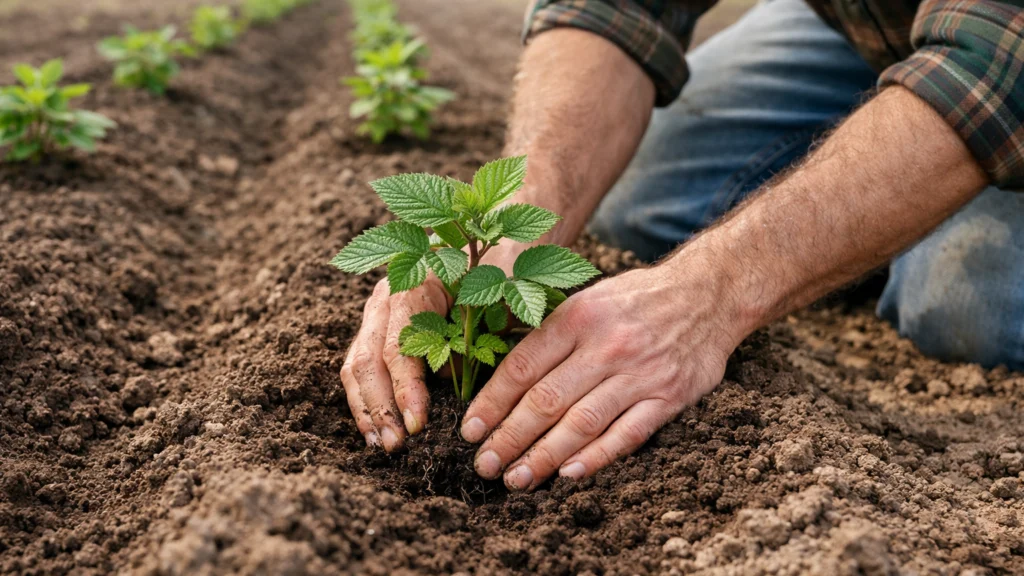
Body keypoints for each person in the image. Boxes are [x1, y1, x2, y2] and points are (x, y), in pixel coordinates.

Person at [340, 0, 1024, 491]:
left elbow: (993, 65)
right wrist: (519, 217)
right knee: (634, 200)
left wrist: (713, 289)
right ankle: (872, 197)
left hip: (1003, 43)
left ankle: (881, 217)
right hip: (867, 22)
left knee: (963, 303)